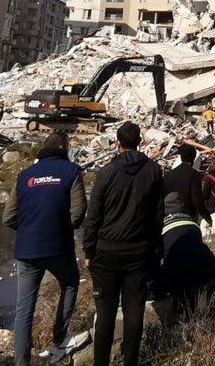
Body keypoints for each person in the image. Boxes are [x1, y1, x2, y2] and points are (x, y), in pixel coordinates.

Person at [82, 122, 164, 366]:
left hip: (106, 252)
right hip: (139, 252)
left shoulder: (107, 172)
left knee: (105, 313)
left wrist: (88, 249)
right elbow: (158, 214)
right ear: (140, 142)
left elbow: (93, 215)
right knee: (134, 311)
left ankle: (101, 362)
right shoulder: (153, 170)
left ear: (117, 143)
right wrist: (156, 248)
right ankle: (130, 361)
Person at [3, 132, 87, 366]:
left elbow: (8, 216)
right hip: (58, 246)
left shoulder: (24, 176)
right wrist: (60, 228)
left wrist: (28, 229)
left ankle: (21, 362)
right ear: (64, 148)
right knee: (70, 283)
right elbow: (78, 213)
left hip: (26, 250)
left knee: (24, 309)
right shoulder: (71, 171)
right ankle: (59, 340)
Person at [156, 192, 215, 320]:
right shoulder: (192, 222)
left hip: (175, 272)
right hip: (202, 269)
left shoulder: (162, 225)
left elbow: (159, 254)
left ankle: (180, 312)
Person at [163, 144, 212, 225]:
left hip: (169, 218)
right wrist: (208, 218)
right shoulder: (194, 175)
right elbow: (197, 200)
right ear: (193, 157)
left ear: (181, 157)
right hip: (187, 218)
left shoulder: (169, 175)